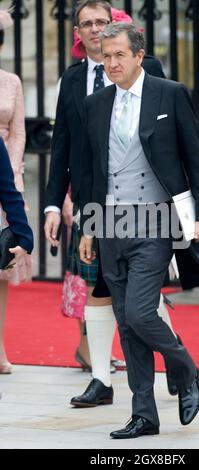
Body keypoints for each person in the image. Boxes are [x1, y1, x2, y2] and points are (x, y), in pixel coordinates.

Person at [79, 23, 199, 439]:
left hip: (156, 219)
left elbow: (195, 156)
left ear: (139, 55)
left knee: (141, 312)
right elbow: (89, 171)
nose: (112, 63)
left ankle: (185, 366)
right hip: (109, 223)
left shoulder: (169, 93)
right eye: (106, 56)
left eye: (120, 54)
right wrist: (89, 227)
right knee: (126, 323)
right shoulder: (95, 103)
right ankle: (145, 414)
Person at [44, 0, 179, 407]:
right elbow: (62, 145)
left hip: (142, 201)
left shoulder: (147, 69)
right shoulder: (70, 80)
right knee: (98, 287)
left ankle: (174, 359)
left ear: (115, 24)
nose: (94, 28)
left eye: (102, 21)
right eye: (86, 24)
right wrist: (54, 203)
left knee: (144, 289)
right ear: (78, 33)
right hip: (92, 203)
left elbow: (167, 138)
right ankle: (101, 378)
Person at [0, 9, 31, 374]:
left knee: (2, 270)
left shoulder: (11, 82)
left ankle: (0, 346)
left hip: (5, 178)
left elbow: (19, 132)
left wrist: (10, 174)